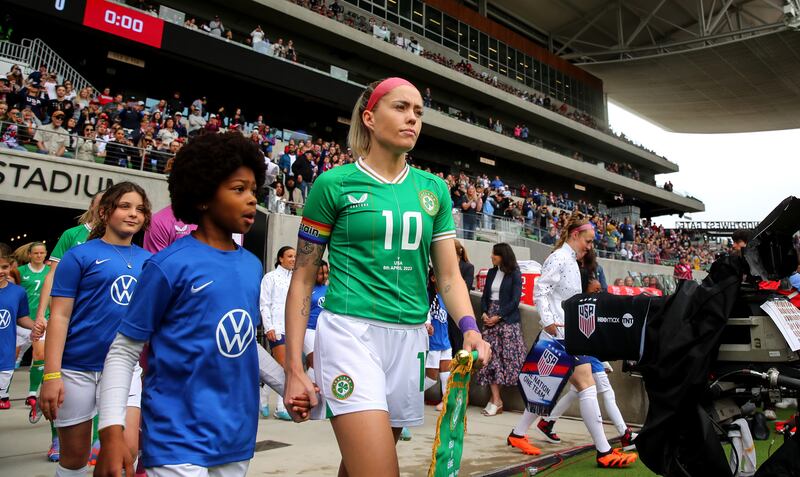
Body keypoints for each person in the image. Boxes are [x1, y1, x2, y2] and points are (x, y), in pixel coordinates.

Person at [282, 77, 491, 477]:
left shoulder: (434, 190)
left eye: (418, 112)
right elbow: (303, 279)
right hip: (350, 333)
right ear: (370, 118)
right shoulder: (334, 184)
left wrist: (470, 328)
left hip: (410, 340)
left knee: (360, 467)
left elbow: (448, 276)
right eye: (400, 107)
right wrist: (294, 367)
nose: (412, 117)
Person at [94, 133, 309, 477]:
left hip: (235, 436)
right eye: (239, 189)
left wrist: (289, 385)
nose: (252, 200)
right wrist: (111, 430)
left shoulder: (252, 265)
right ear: (204, 196)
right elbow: (123, 352)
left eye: (254, 190)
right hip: (175, 437)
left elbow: (242, 344)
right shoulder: (167, 265)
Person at [506, 213, 638, 468]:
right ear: (575, 235)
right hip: (561, 336)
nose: (590, 246)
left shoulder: (568, 259)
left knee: (548, 387)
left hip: (566, 335)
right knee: (585, 387)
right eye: (587, 241)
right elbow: (540, 290)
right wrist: (548, 322)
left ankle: (518, 434)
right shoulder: (559, 258)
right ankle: (604, 450)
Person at [40, 182, 152, 477]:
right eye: (125, 206)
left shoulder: (149, 262)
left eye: (140, 209)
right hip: (76, 369)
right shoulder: (78, 257)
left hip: (126, 370)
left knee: (127, 454)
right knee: (74, 459)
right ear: (105, 212)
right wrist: (51, 375)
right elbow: (60, 317)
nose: (133, 214)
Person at [476, 243, 525, 418]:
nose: (491, 256)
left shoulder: (515, 274)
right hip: (489, 321)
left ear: (503, 256)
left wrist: (499, 316)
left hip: (506, 322)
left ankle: (495, 400)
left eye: (494, 254)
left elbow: (515, 300)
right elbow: (484, 297)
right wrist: (484, 313)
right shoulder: (491, 273)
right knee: (489, 360)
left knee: (504, 362)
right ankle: (496, 401)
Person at [259, 246, 296, 421]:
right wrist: (269, 328)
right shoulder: (270, 277)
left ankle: (263, 397)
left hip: (292, 328)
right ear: (280, 258)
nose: (293, 259)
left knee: (279, 367)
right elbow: (264, 303)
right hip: (277, 327)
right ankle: (281, 408)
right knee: (285, 367)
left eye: (295, 256)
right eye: (289, 256)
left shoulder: (296, 279)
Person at [17, 242, 50, 424]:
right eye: (35, 253)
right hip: (21, 320)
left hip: (41, 321)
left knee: (39, 355)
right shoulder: (21, 272)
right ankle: (3, 392)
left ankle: (32, 394)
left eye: (41, 253)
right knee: (11, 359)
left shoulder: (49, 272)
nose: (38, 256)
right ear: (29, 255)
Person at [0, 247, 38, 409]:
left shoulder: (18, 292)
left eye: (4, 267)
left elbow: (21, 317)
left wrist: (36, 326)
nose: (1, 271)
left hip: (5, 355)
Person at [424, 268, 451, 413]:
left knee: (446, 375)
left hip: (445, 341)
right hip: (433, 342)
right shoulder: (428, 295)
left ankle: (445, 402)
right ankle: (411, 396)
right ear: (433, 279)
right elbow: (424, 312)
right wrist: (427, 324)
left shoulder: (445, 296)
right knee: (432, 378)